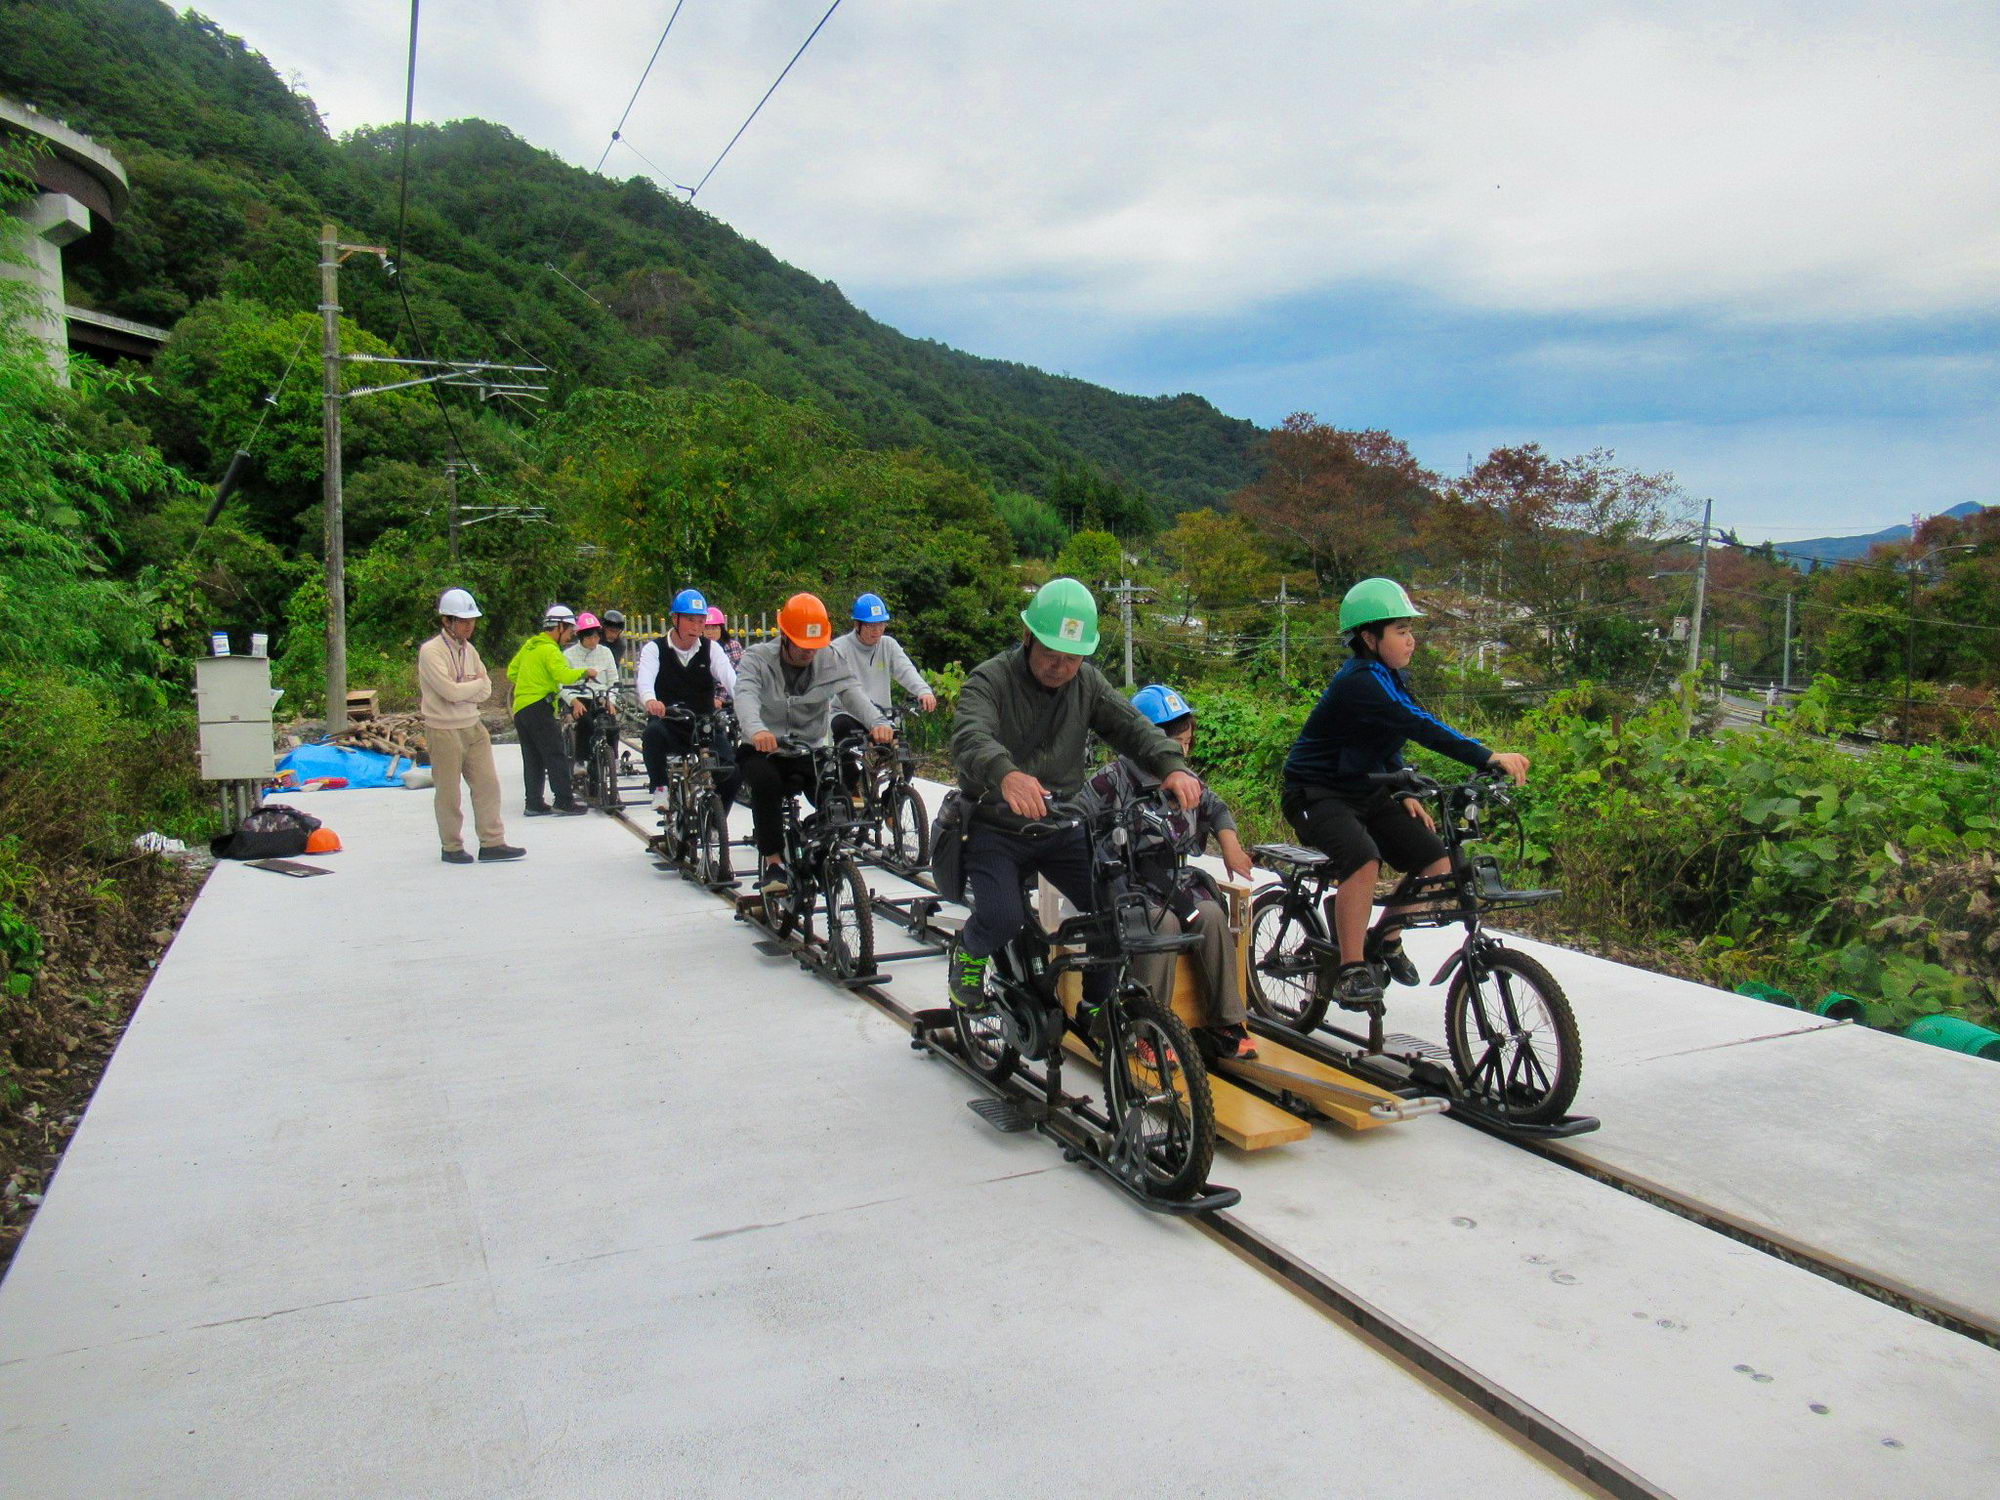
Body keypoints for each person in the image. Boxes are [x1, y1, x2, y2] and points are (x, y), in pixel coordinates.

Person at [947, 577, 1202, 1016]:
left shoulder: (1086, 683)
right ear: (1027, 637)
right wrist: (1006, 775)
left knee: (1116, 912)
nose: (1061, 667)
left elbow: (1133, 727)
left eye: (1072, 658)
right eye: (1050, 654)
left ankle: (1096, 1006)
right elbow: (971, 736)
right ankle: (968, 953)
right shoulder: (989, 679)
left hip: (1059, 824)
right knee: (1003, 916)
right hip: (996, 825)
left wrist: (1172, 766)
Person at [1281, 578, 1531, 1005]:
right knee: (1363, 861)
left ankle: (1387, 939)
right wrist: (1486, 756)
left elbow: (1389, 735)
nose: (1411, 640)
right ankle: (1351, 968)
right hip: (1316, 792)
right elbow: (1417, 725)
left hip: (1366, 789)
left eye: (1410, 630)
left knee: (1437, 861)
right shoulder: (1359, 679)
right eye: (1401, 631)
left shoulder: (1389, 676)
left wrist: (1403, 787)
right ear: (1369, 637)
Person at [1079, 684, 1257, 1060]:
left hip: (1176, 879)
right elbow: (1076, 818)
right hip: (1128, 883)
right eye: (1176, 744)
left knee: (1210, 914)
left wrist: (1230, 845)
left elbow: (1215, 807)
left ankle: (1225, 1020)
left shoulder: (1184, 779)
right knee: (1163, 926)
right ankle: (1148, 1029)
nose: (1182, 753)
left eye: (1187, 743)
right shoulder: (1112, 780)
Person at [733, 592, 891, 897]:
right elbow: (746, 696)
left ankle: (810, 842)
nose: (810, 653)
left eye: (815, 647)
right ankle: (774, 861)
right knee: (765, 785)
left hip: (809, 749)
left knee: (842, 805)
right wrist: (757, 731)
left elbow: (853, 694)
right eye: (803, 646)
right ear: (784, 637)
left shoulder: (830, 657)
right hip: (765, 749)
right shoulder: (757, 659)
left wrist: (878, 723)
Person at [416, 588, 523, 863]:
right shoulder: (431, 652)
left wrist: (467, 686)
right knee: (449, 792)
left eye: (471, 620)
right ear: (447, 621)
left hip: (473, 726)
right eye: (463, 621)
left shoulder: (470, 650)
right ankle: (451, 846)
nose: (469, 625)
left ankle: (492, 841)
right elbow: (449, 692)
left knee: (488, 785)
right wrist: (470, 685)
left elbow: (486, 689)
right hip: (443, 728)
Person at [635, 588, 738, 809]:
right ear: (675, 619)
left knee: (732, 772)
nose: (696, 627)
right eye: (690, 620)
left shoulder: (712, 650)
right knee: (652, 734)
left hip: (703, 726)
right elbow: (645, 679)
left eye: (701, 621)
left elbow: (731, 679)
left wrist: (746, 703)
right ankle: (660, 788)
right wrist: (650, 700)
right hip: (669, 722)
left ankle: (713, 822)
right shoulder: (655, 649)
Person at [507, 604, 596, 817]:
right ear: (559, 627)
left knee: (533, 757)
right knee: (556, 753)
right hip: (539, 707)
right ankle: (564, 801)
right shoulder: (550, 650)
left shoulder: (530, 646)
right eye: (568, 632)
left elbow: (512, 672)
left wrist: (530, 681)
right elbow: (563, 675)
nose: (569, 637)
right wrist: (586, 671)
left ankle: (534, 803)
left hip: (521, 709)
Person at [562, 612, 621, 770]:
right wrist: (573, 702)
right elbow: (560, 684)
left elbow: (613, 679)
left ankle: (613, 755)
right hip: (579, 696)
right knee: (586, 722)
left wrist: (611, 701)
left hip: (602, 696)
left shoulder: (605, 652)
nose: (593, 641)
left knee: (611, 723)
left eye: (596, 637)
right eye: (589, 638)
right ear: (580, 637)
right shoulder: (568, 655)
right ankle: (580, 760)